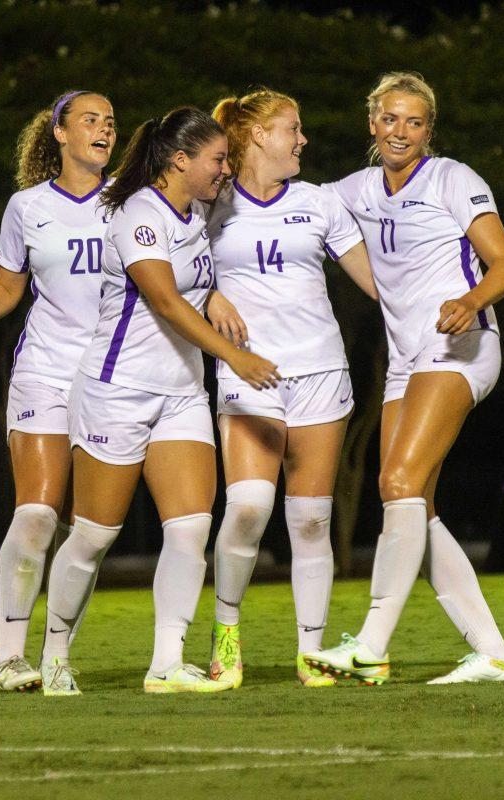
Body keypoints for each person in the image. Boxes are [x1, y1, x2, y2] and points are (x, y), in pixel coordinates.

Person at [38, 106, 281, 695]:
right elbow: (166, 300)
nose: (226, 170)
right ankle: (53, 654)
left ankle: (166, 663)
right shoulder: (135, 212)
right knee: (94, 534)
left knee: (191, 527)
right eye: (217, 160)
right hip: (116, 391)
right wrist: (236, 356)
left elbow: (195, 282)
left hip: (179, 395)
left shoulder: (196, 211)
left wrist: (217, 293)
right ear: (179, 161)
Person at [304, 71, 504, 685]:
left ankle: (372, 645)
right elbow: (287, 206)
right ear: (371, 124)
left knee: (400, 479)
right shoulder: (353, 189)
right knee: (410, 501)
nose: (401, 131)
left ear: (430, 130)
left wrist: (473, 299)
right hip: (408, 358)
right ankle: (493, 653)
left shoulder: (454, 178)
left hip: (462, 343)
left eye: (415, 121)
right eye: (390, 119)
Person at [204, 89, 377, 688]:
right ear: (254, 137)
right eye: (291, 129)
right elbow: (168, 275)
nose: (302, 140)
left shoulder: (319, 202)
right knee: (249, 508)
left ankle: (312, 653)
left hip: (321, 373)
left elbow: (378, 283)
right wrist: (209, 295)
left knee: (309, 521)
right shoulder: (211, 203)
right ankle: (225, 636)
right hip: (248, 373)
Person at [0, 91, 116, 693]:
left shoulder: (130, 202)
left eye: (109, 122)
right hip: (45, 370)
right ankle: (8, 658)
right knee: (36, 513)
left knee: (90, 529)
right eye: (89, 120)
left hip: (112, 376)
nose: (103, 130)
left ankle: (57, 656)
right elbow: (9, 285)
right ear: (58, 132)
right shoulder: (27, 207)